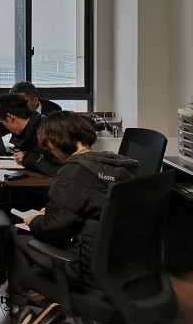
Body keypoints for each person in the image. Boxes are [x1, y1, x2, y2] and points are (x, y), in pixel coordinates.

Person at [10, 111, 138, 298]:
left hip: (85, 270)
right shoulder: (119, 167)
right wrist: (55, 211)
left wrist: (34, 220)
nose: (51, 153)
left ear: (56, 142)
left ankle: (22, 299)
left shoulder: (71, 173)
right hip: (123, 267)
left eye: (49, 147)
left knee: (16, 234)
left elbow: (52, 228)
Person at [0, 93, 62, 176]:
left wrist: (28, 159)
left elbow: (62, 171)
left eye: (3, 122)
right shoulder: (30, 126)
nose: (5, 127)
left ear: (10, 117)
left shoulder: (47, 131)